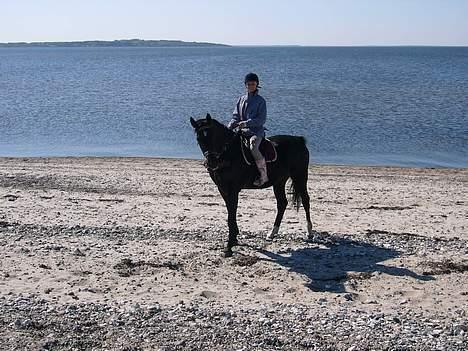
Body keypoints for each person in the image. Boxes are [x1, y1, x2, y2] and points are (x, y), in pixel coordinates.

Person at [228, 72, 268, 186]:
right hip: (241, 132)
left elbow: (261, 120)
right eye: (249, 84)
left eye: (253, 84)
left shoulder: (261, 101)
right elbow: (235, 116)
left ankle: (263, 175)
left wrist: (246, 123)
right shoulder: (241, 99)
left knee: (253, 147)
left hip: (256, 132)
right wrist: (230, 125)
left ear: (257, 85)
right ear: (245, 85)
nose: (251, 86)